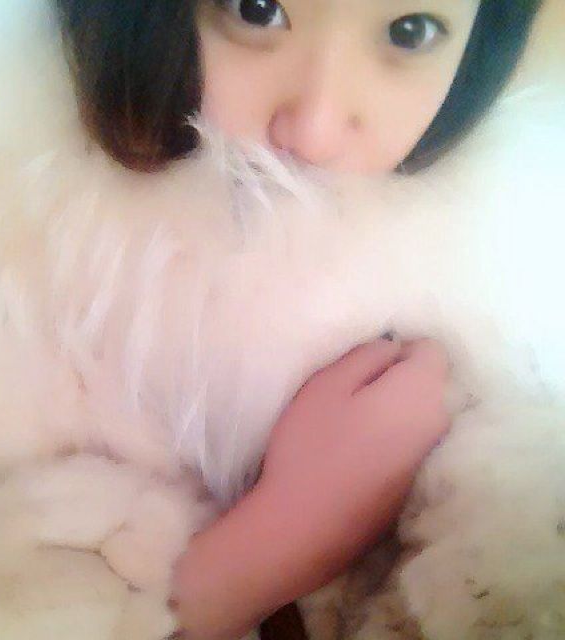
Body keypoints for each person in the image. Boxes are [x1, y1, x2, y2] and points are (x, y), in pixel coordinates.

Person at [54, 1, 543, 638]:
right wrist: (285, 538)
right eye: (256, 9)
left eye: (410, 32)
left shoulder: (506, 283)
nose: (314, 131)